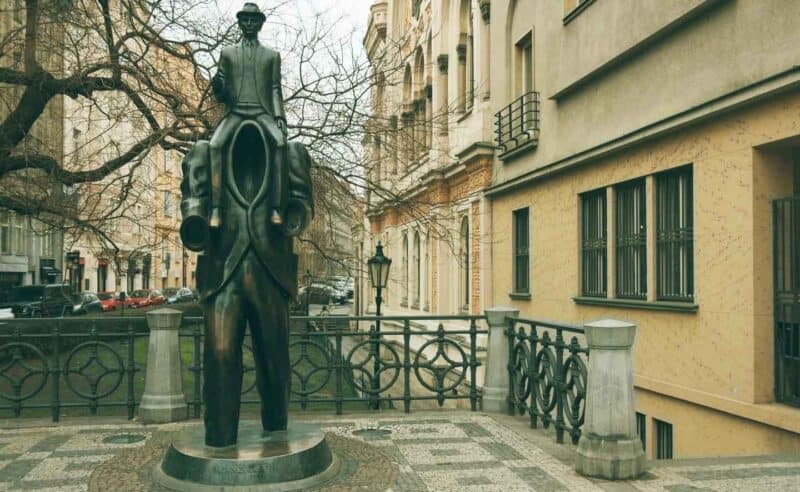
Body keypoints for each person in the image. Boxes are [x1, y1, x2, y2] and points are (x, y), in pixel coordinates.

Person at [208, 2, 287, 229]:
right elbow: (221, 92)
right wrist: (218, 87)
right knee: (214, 146)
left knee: (280, 144)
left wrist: (279, 117)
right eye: (246, 20)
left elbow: (274, 88)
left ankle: (275, 207)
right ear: (240, 23)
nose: (250, 24)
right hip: (236, 112)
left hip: (262, 112)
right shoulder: (228, 53)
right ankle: (216, 208)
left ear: (260, 24)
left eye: (254, 20)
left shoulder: (271, 56)